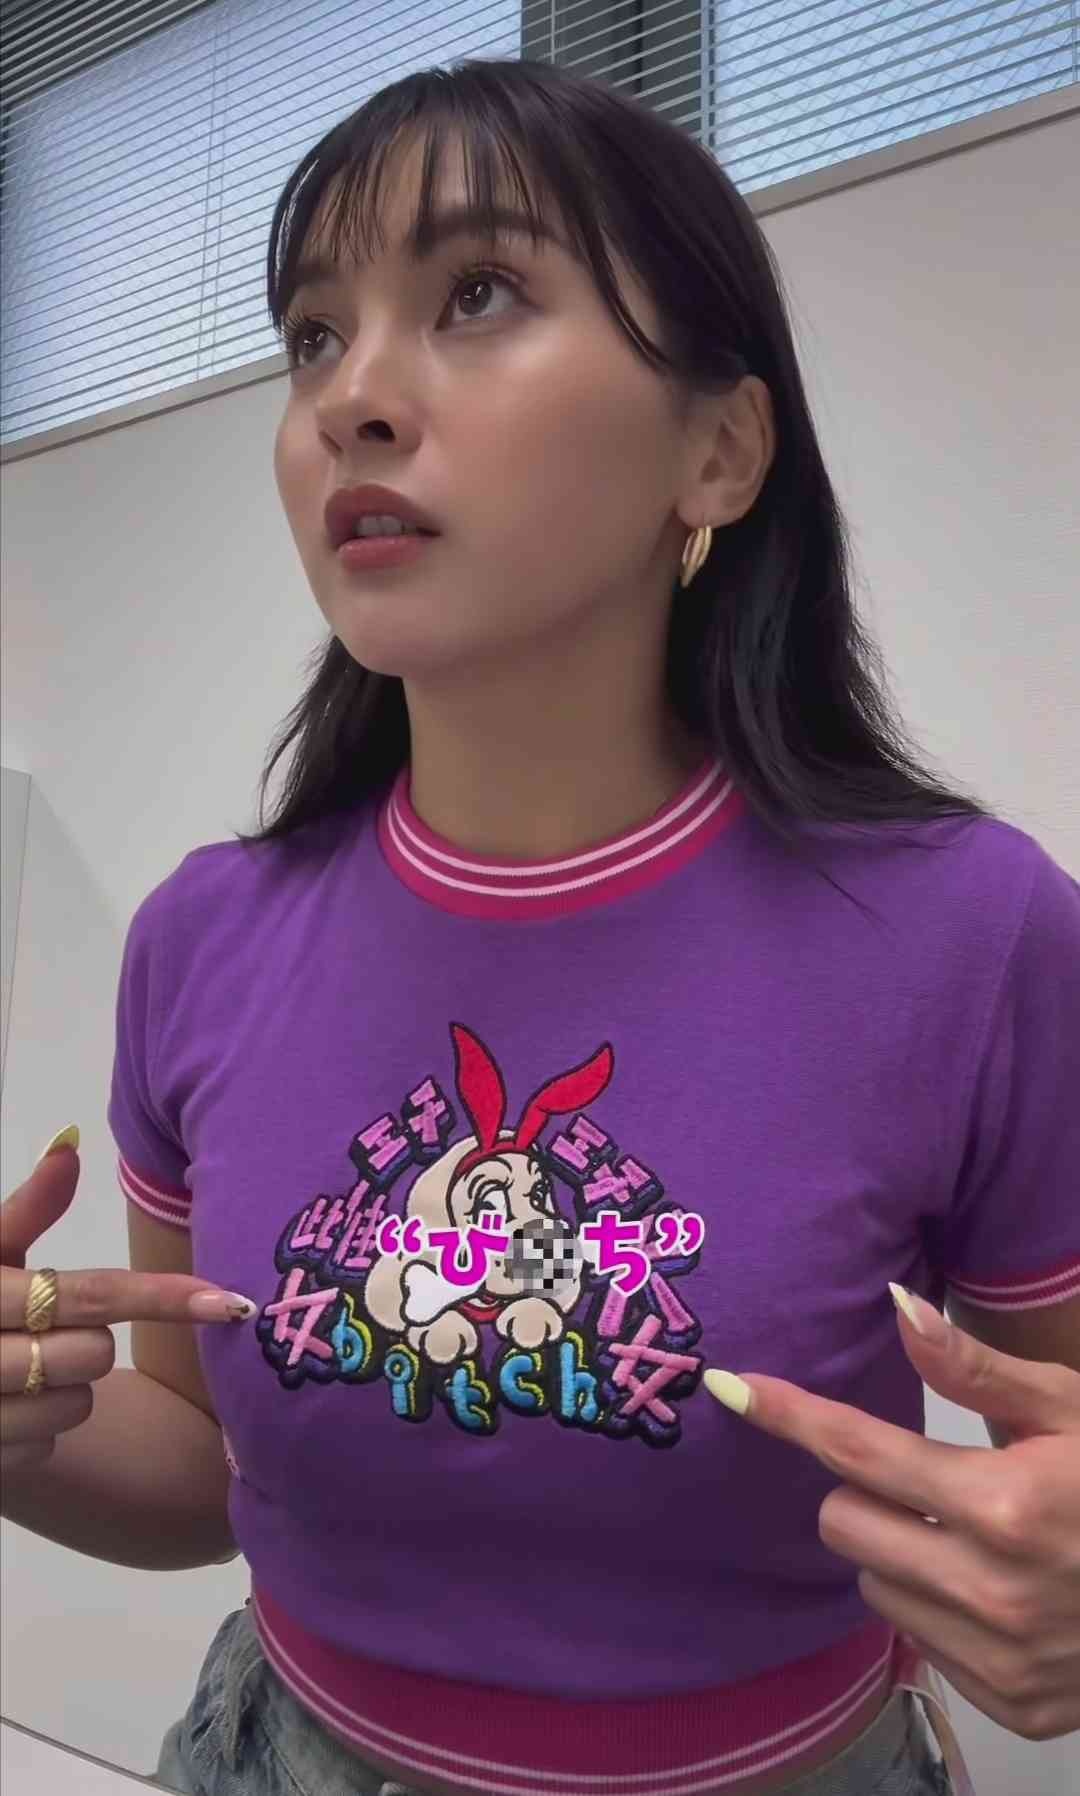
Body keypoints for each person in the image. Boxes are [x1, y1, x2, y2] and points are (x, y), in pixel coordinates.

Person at [2, 54, 1078, 1796]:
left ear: (718, 452)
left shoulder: (975, 937)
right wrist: (12, 1427)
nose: (353, 397)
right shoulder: (201, 940)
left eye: (478, 294)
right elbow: (204, 1456)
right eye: (312, 336)